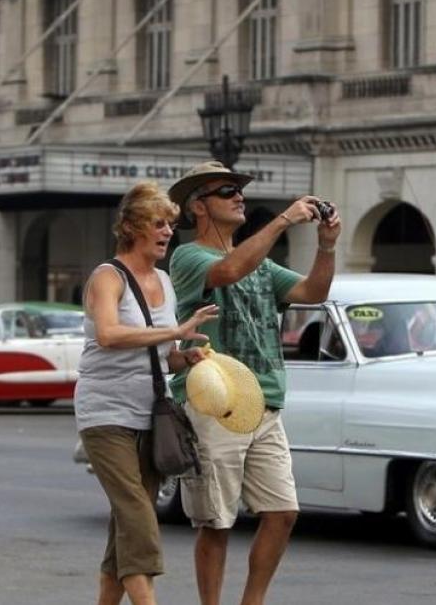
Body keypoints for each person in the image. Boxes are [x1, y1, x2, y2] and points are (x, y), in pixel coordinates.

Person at [167, 161, 341, 605]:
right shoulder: (188, 256)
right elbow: (226, 272)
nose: (238, 196)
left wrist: (326, 246)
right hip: (214, 399)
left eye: (239, 189)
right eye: (227, 191)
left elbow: (312, 293)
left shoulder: (261, 264)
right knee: (216, 520)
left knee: (283, 512)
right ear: (198, 207)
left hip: (264, 399)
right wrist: (284, 219)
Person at [75, 180, 219, 605]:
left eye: (170, 224)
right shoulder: (107, 277)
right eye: (159, 223)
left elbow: (164, 355)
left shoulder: (163, 279)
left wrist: (185, 356)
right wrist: (174, 330)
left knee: (124, 530)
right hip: (105, 415)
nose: (168, 231)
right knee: (137, 515)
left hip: (150, 416)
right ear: (134, 228)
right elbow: (108, 334)